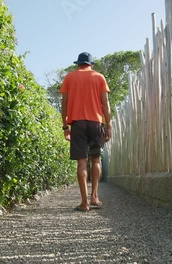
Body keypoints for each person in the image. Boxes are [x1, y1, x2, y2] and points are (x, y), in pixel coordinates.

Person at [60, 52, 112, 212]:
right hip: (96, 122)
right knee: (95, 160)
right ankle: (95, 197)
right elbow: (105, 103)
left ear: (78, 64)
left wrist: (65, 126)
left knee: (81, 162)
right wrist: (108, 124)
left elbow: (64, 104)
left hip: (77, 123)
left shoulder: (69, 77)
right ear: (91, 64)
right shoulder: (99, 77)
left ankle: (84, 203)